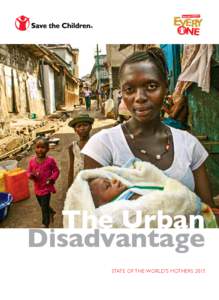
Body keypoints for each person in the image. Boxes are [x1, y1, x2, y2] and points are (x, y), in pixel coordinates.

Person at [81, 47, 216, 212]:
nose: (139, 97)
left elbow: (208, 212)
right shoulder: (103, 146)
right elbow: (89, 215)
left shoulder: (189, 145)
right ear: (122, 92)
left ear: (166, 87)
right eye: (129, 89)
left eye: (151, 86)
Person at [27, 137, 60, 228]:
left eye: (43, 147)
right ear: (35, 148)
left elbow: (56, 171)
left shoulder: (50, 161)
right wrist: (30, 175)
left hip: (46, 188)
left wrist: (52, 179)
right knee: (42, 205)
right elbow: (28, 171)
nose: (40, 149)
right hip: (37, 188)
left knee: (44, 207)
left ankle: (45, 224)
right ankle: (52, 212)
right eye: (38, 147)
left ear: (48, 149)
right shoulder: (32, 162)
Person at [68, 113, 94, 187]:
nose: (82, 128)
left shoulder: (95, 143)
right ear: (75, 130)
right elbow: (71, 168)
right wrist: (69, 186)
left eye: (85, 125)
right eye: (79, 126)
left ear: (90, 127)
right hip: (78, 180)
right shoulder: (72, 147)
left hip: (92, 179)